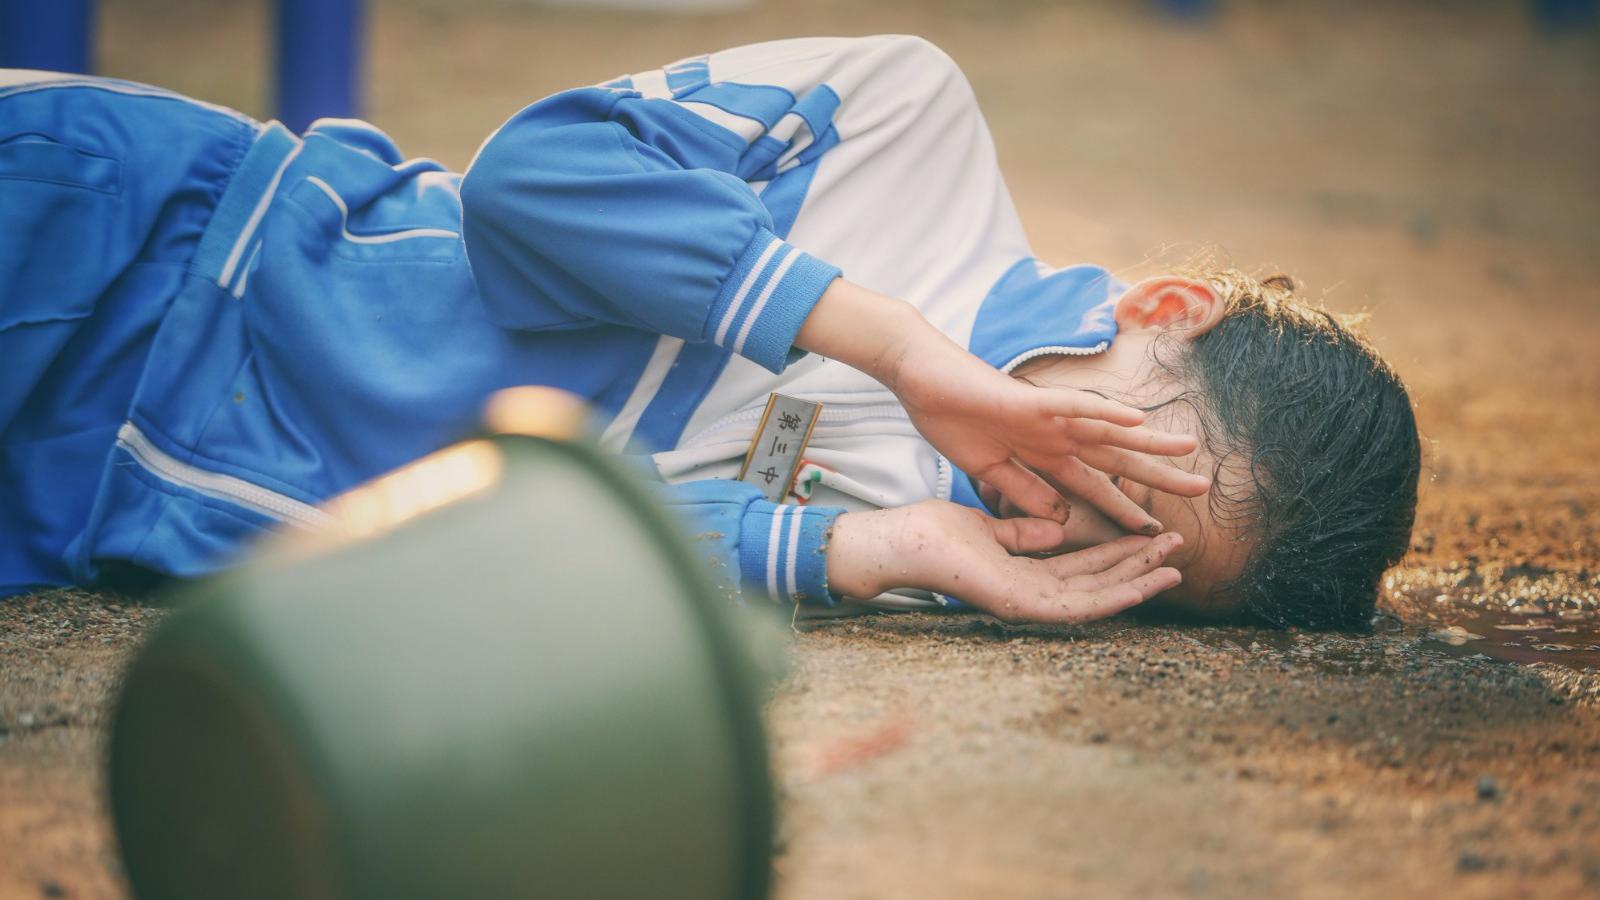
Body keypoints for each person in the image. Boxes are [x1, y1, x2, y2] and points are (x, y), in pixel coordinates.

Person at [0, 35, 1419, 628]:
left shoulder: (947, 561)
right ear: (1163, 311)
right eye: (1114, 449)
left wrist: (875, 550)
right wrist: (901, 352)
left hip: (90, 512)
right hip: (138, 255)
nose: (1057, 504)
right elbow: (532, 180)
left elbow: (506, 552)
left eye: (1127, 548)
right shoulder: (907, 124)